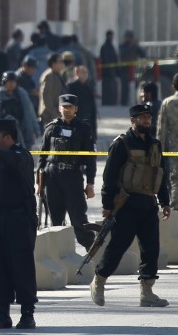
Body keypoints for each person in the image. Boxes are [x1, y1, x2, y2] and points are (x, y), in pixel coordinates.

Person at [90, 103, 171, 308]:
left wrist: (165, 201)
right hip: (126, 204)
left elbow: (161, 174)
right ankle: (99, 280)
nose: (146, 121)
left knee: (151, 249)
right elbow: (109, 177)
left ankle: (147, 292)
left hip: (148, 204)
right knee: (118, 247)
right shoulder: (122, 144)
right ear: (132, 120)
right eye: (142, 118)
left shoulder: (155, 145)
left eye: (148, 118)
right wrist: (107, 205)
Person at [0, 118, 37, 330]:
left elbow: (15, 161)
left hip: (19, 220)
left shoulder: (21, 155)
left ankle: (27, 313)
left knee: (21, 267)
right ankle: (2, 312)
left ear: (8, 137)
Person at [37, 94, 97, 250]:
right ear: (59, 108)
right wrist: (39, 182)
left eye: (70, 107)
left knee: (78, 218)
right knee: (55, 219)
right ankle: (58, 253)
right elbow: (42, 156)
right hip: (52, 176)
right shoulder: (51, 127)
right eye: (65, 107)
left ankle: (92, 251)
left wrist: (90, 183)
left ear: (76, 109)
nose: (67, 110)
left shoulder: (83, 129)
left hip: (73, 176)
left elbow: (90, 158)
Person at [0, 71, 38, 150]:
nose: (11, 84)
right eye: (9, 82)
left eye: (13, 82)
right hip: (4, 130)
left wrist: (35, 128)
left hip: (22, 128)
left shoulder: (22, 94)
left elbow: (30, 112)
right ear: (4, 82)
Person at [156, 74, 178, 209]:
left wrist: (159, 152)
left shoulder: (168, 103)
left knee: (175, 179)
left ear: (173, 86)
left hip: (174, 149)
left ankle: (176, 209)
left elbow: (161, 129)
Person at [67, 65, 98, 140]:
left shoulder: (89, 86)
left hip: (88, 119)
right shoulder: (71, 86)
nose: (85, 74)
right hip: (76, 118)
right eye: (83, 72)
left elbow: (92, 106)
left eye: (86, 72)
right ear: (76, 73)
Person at [38, 52, 67, 127]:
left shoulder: (57, 74)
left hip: (57, 112)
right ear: (53, 64)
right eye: (60, 62)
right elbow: (47, 96)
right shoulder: (49, 76)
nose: (62, 64)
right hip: (50, 115)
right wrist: (54, 113)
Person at [118, 30, 146, 106]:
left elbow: (143, 54)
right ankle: (123, 103)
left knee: (136, 86)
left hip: (134, 70)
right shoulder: (122, 46)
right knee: (125, 88)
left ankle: (135, 101)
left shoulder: (135, 47)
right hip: (124, 69)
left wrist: (137, 45)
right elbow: (123, 52)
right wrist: (131, 46)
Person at [99, 30, 119, 105]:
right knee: (108, 89)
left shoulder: (111, 46)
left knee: (112, 89)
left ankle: (111, 102)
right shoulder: (105, 47)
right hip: (107, 73)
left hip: (111, 72)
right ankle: (108, 102)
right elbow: (107, 59)